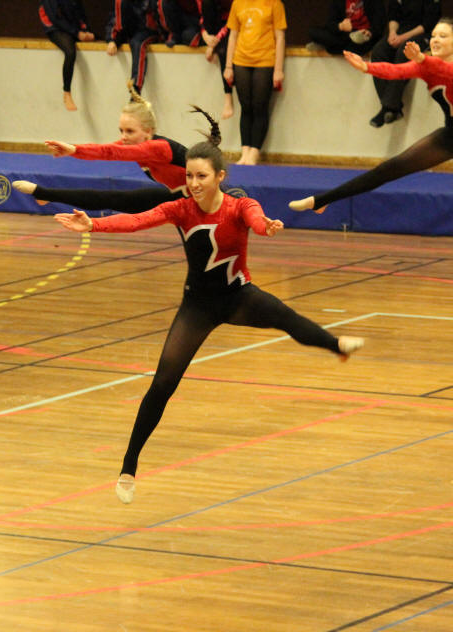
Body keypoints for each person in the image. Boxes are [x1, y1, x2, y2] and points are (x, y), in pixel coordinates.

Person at [54, 133, 365, 504]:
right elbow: (138, 220)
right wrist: (94, 225)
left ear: (220, 176)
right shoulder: (180, 208)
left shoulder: (240, 205)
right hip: (198, 307)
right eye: (189, 176)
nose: (193, 183)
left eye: (201, 176)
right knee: (163, 383)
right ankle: (128, 467)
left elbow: (256, 219)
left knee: (286, 317)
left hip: (239, 298)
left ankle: (336, 345)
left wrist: (266, 227)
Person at [289, 18, 453, 251]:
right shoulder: (424, 67)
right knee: (390, 168)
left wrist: (422, 59)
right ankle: (321, 201)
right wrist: (367, 67)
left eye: (443, 36)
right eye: (434, 35)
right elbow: (395, 71)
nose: (436, 39)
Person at [13, 83, 206, 215]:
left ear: (148, 131)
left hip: (204, 197)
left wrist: (73, 149)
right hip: (185, 198)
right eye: (121, 130)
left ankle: (44, 193)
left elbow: (111, 152)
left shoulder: (158, 148)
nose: (124, 136)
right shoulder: (132, 144)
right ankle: (44, 194)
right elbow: (102, 150)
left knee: (117, 199)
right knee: (111, 199)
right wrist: (73, 149)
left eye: (130, 131)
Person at [224, 0, 286, 165]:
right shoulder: (238, 3)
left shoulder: (275, 4)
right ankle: (244, 151)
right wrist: (228, 66)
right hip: (241, 60)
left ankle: (254, 152)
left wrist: (278, 69)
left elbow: (280, 37)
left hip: (265, 60)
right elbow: (233, 35)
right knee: (246, 106)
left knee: (260, 107)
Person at [365, 0, 440, 127]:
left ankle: (388, 107)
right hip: (401, 31)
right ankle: (393, 107)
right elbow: (393, 15)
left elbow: (428, 24)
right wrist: (392, 33)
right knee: (378, 52)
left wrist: (403, 37)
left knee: (404, 51)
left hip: (424, 35)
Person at [39, 0, 94, 111]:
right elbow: (54, 17)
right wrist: (77, 33)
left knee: (94, 38)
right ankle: (67, 92)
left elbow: (80, 12)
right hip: (54, 27)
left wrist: (86, 30)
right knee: (70, 52)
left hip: (70, 26)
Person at [105, 0, 162, 94]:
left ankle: (135, 89)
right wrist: (112, 40)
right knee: (131, 40)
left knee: (137, 43)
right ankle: (135, 91)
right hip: (128, 30)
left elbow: (156, 15)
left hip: (148, 29)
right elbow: (115, 17)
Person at [306, 0, 386, 55]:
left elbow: (379, 25)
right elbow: (330, 24)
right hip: (345, 35)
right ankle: (330, 45)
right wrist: (340, 26)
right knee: (313, 32)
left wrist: (369, 32)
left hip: (362, 37)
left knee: (356, 47)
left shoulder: (375, 2)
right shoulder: (338, 1)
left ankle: (328, 45)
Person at [198, 0, 234, 119]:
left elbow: (233, 20)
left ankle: (228, 97)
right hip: (213, 28)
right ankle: (211, 40)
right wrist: (205, 34)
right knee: (207, 3)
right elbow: (202, 15)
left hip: (231, 26)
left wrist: (213, 44)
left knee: (223, 51)